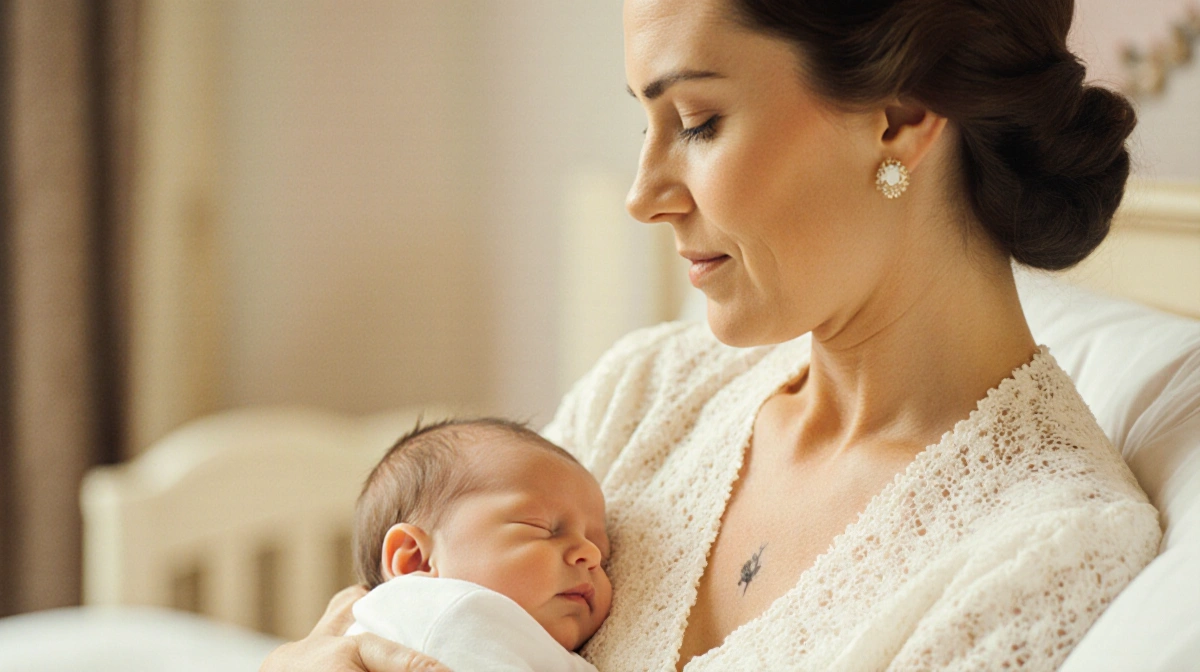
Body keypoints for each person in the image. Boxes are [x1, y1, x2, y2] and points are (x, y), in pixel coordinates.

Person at [261, 0, 1162, 669]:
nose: (642, 193)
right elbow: (395, 609)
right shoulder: (648, 391)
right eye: (646, 123)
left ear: (900, 115)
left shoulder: (1042, 551)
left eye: (696, 122)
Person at [344, 418, 611, 671]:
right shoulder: (448, 615)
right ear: (416, 560)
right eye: (541, 528)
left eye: (600, 546)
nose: (591, 554)